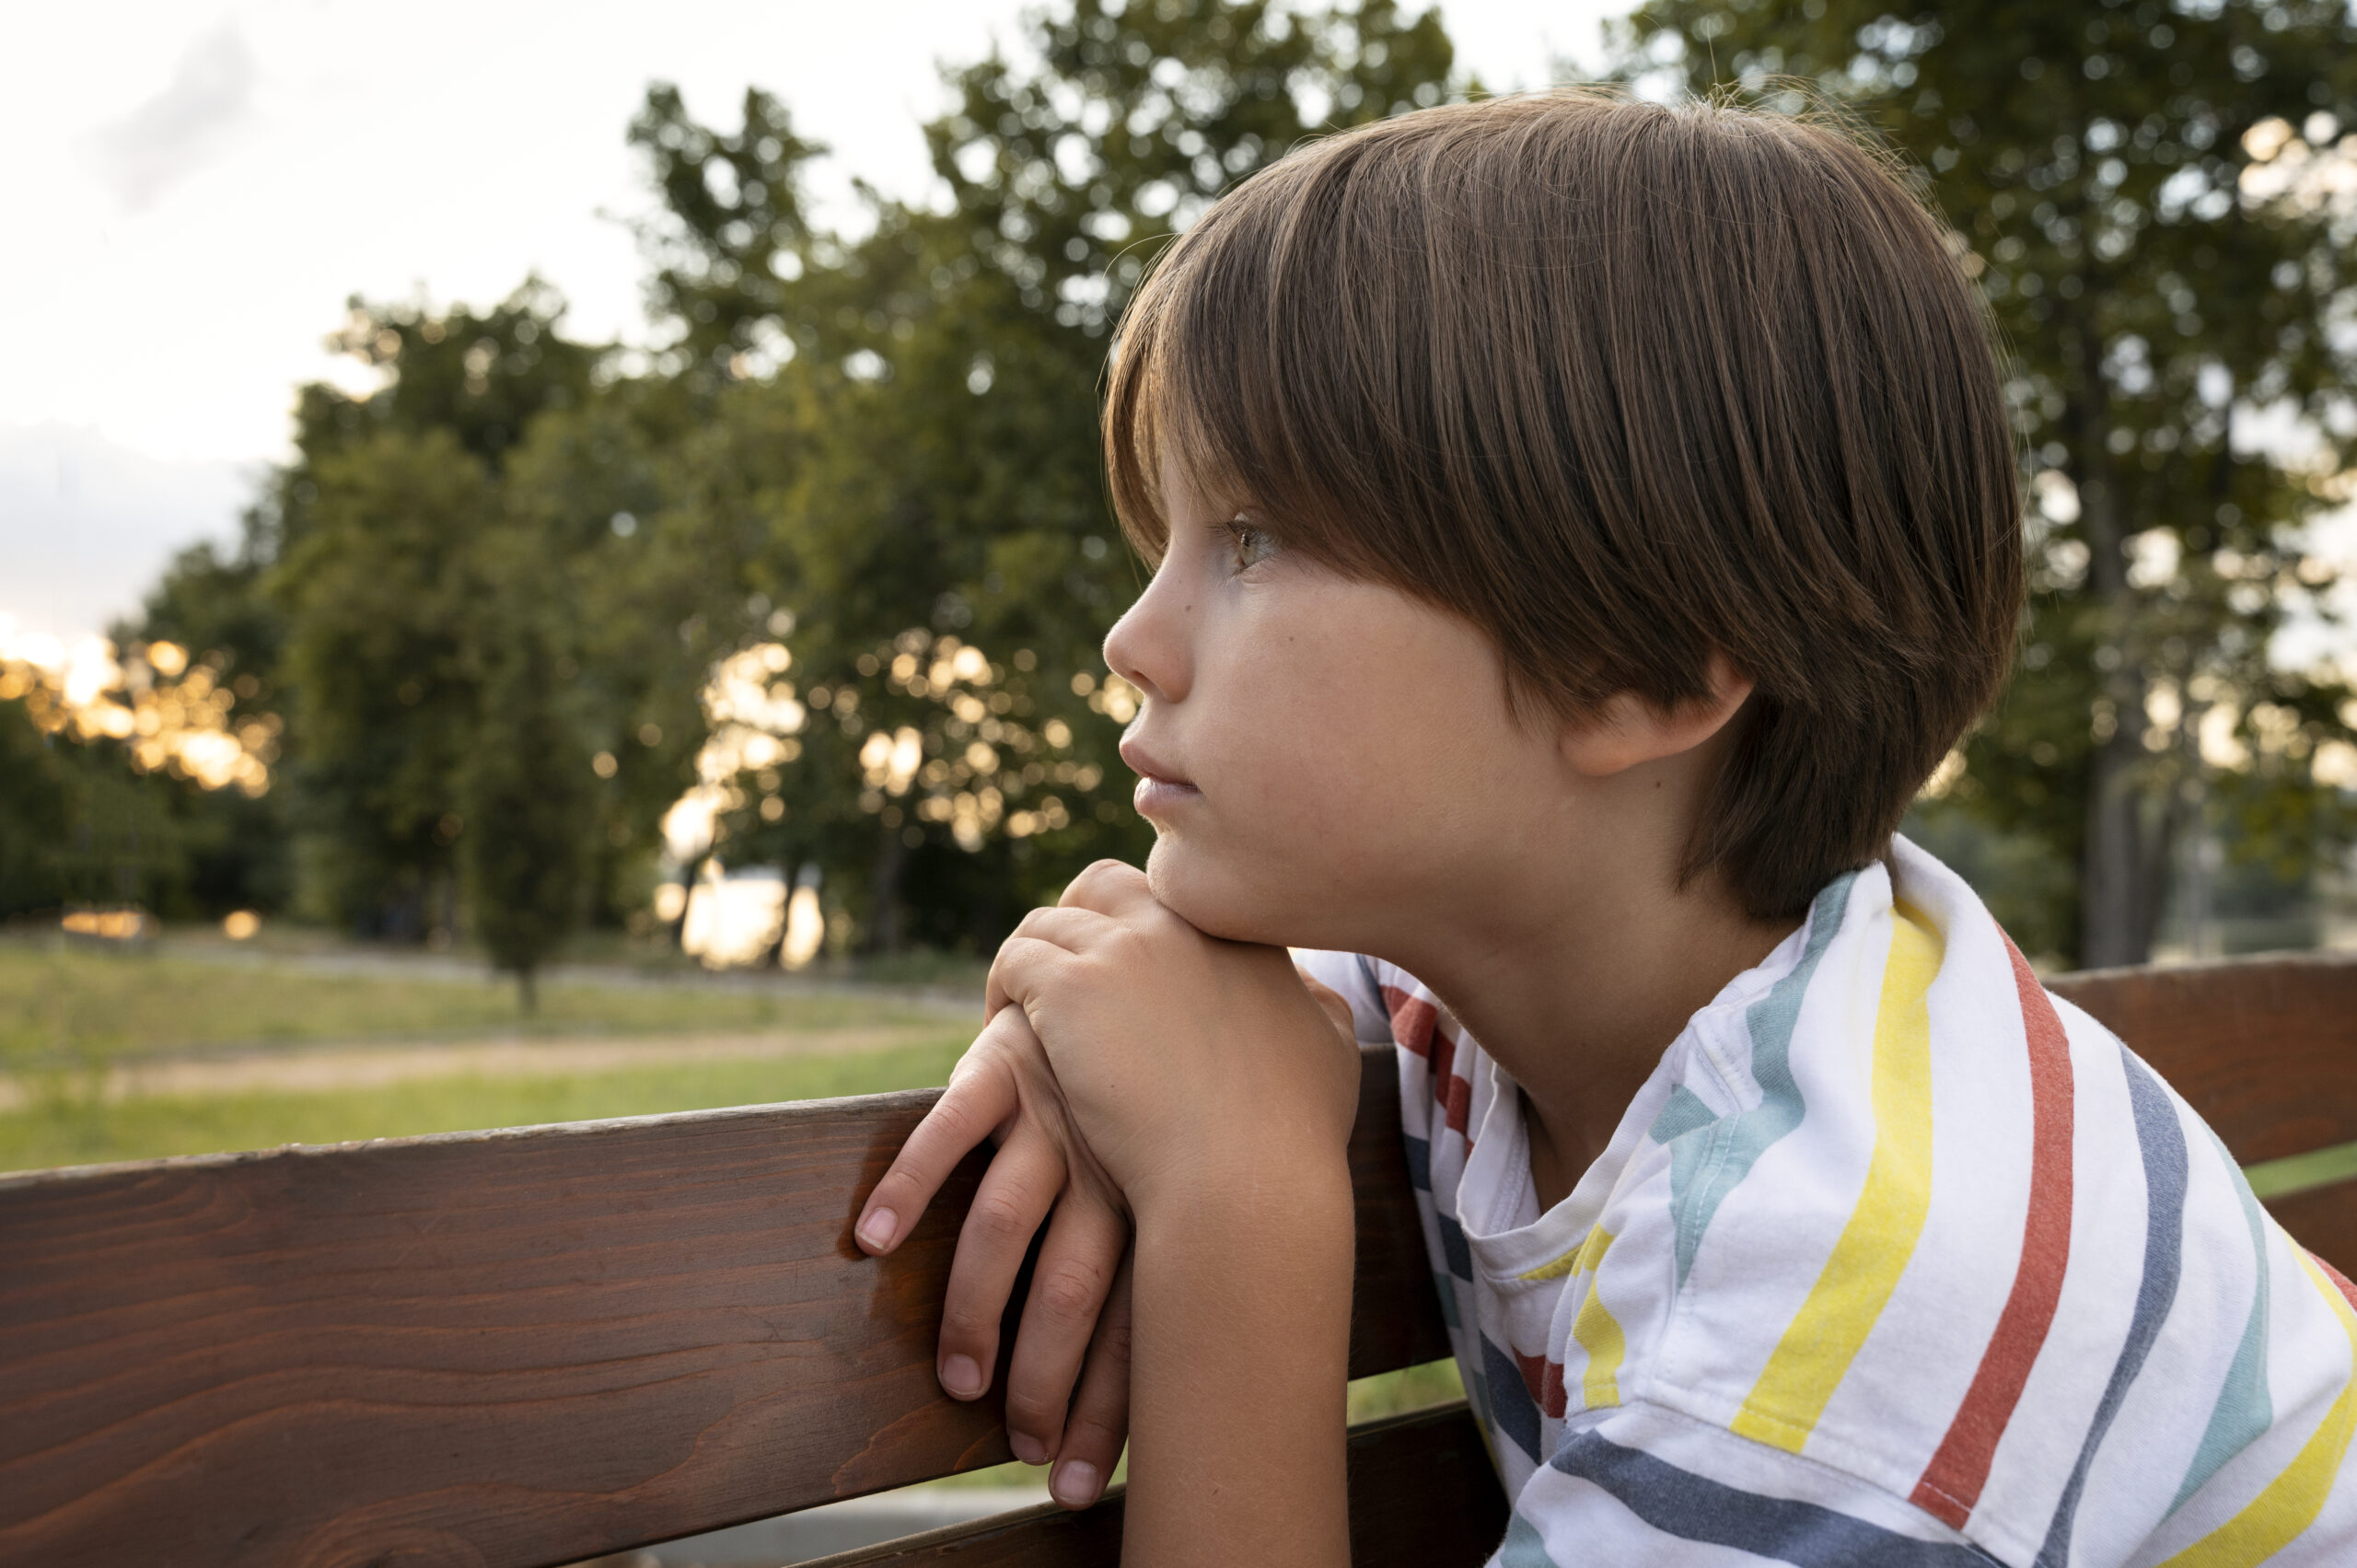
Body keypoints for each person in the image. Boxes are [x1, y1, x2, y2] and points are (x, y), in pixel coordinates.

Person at [851, 88, 2357, 1566]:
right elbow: (1226, 1006)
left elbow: (1241, 1112)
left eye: (1251, 539)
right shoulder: (1519, 976)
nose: (1133, 635)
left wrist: (1239, 1208)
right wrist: (1095, 1013)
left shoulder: (1845, 1310)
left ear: (1640, 672)